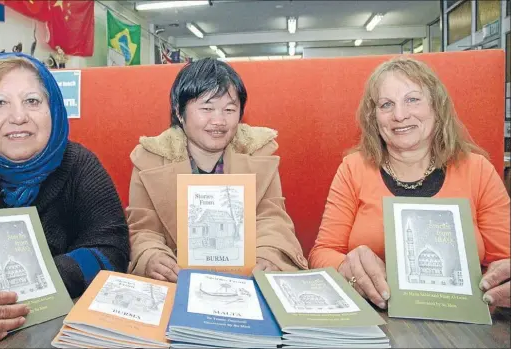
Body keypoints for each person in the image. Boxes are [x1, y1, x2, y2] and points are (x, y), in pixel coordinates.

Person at [0, 52, 130, 347]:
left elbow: (112, 250)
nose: (18, 116)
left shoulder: (79, 165)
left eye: (32, 101)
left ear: (52, 109)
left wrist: (24, 285)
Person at [309, 56, 510, 310]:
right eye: (386, 105)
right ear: (374, 118)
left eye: (412, 100)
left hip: (461, 322)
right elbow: (321, 253)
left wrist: (502, 280)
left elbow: (503, 260)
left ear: (436, 106)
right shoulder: (353, 169)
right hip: (376, 314)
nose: (400, 115)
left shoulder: (478, 171)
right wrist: (348, 269)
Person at [127, 58, 308, 282]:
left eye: (229, 109)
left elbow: (271, 220)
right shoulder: (150, 159)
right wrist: (152, 257)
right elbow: (144, 230)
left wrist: (267, 255)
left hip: (244, 280)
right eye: (207, 108)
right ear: (179, 112)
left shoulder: (257, 154)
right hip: (178, 282)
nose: (219, 120)